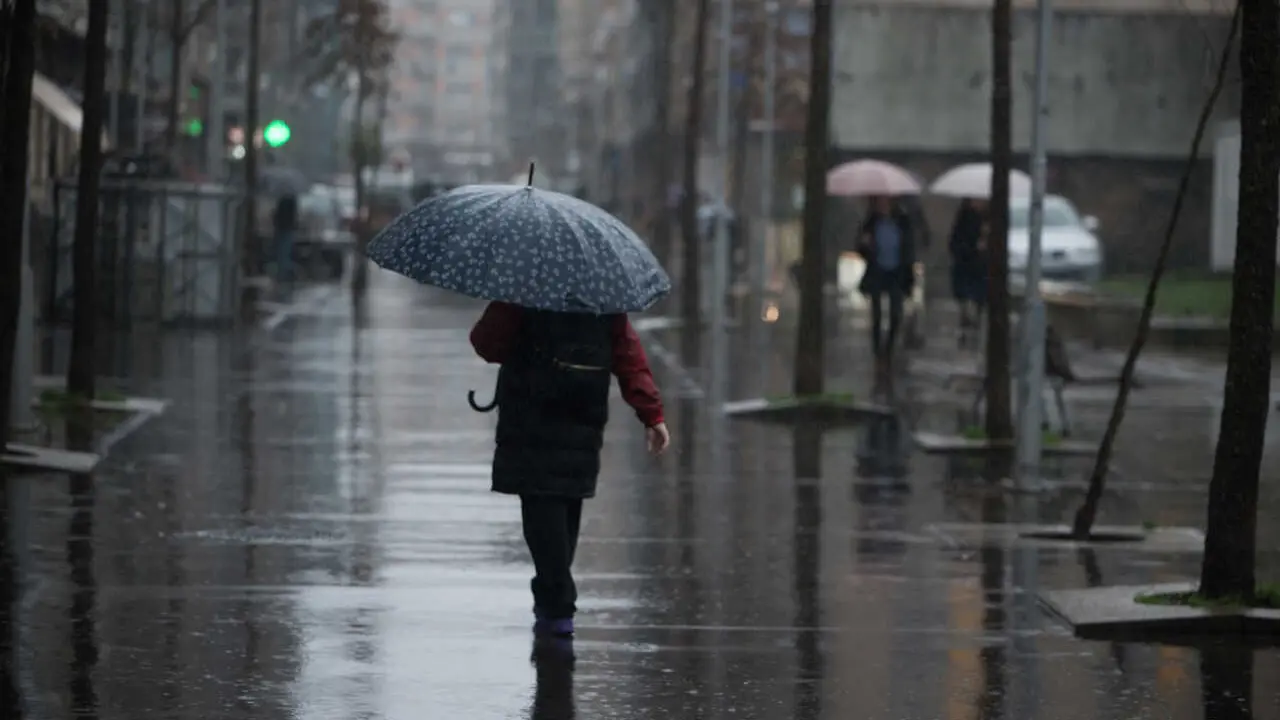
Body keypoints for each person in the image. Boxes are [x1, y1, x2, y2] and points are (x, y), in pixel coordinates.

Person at [469, 302, 670, 638]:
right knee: (563, 511)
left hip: (531, 418)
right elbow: (627, 352)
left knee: (542, 513)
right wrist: (652, 413)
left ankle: (556, 606)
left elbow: (487, 344)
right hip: (581, 416)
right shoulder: (602, 296)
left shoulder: (524, 288)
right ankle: (554, 604)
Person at [855, 195, 916, 370]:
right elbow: (860, 248)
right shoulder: (871, 222)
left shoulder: (902, 221)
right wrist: (864, 245)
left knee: (896, 313)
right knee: (876, 314)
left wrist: (909, 273)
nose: (883, 205)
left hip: (897, 273)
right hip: (877, 271)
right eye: (880, 202)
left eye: (886, 201)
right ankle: (877, 350)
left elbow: (909, 248)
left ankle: (889, 347)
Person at [949, 198, 988, 332]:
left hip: (981, 266)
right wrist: (972, 247)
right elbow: (955, 243)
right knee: (965, 292)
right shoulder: (964, 219)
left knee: (979, 294)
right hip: (965, 264)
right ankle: (965, 314)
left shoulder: (988, 219)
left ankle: (976, 316)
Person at [272, 193, 299, 284]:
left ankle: (283, 273)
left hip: (282, 229)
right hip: (287, 229)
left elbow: (278, 216)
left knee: (282, 252)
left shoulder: (282, 201)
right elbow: (294, 217)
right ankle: (285, 273)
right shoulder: (292, 201)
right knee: (286, 252)